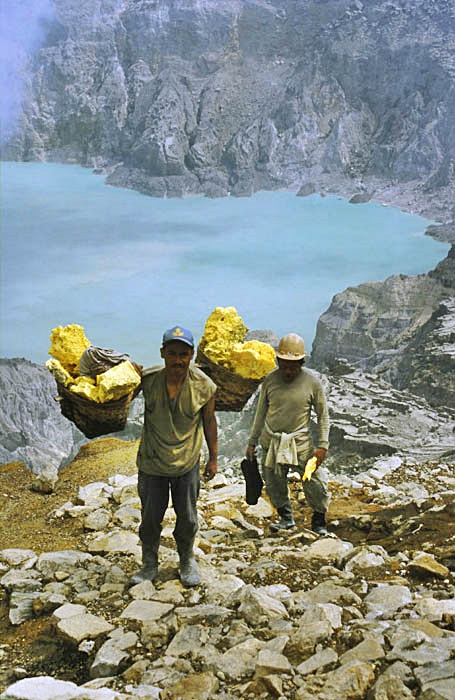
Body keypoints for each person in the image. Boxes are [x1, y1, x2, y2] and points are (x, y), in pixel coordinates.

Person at [131, 326, 218, 588]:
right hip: (152, 462)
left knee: (188, 517)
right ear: (162, 353)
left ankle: (186, 559)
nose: (178, 360)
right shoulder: (148, 380)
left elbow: (210, 421)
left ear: (191, 355)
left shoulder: (204, 385)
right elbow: (118, 395)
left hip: (187, 463)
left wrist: (213, 458)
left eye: (183, 354)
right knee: (149, 517)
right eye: (172, 353)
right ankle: (148, 564)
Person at [246, 332, 330, 535]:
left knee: (314, 480)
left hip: (301, 444)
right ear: (278, 361)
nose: (288, 371)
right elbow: (260, 413)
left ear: (301, 362)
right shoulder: (270, 381)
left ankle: (319, 520)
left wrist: (322, 446)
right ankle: (286, 518)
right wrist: (252, 441)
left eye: (293, 367)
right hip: (272, 441)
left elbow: (323, 415)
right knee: (274, 482)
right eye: (284, 366)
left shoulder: (312, 383)